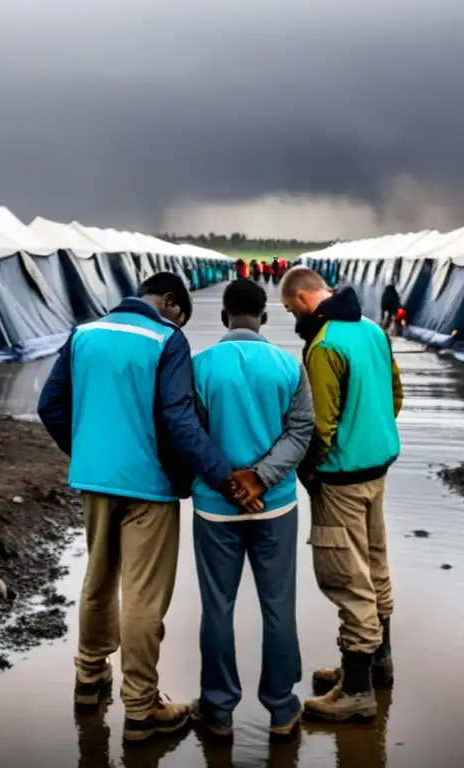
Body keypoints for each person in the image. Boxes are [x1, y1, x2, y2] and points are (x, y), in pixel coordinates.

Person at [37, 272, 256, 745]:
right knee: (142, 597)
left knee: (98, 578)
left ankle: (88, 678)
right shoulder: (165, 339)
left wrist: (86, 452)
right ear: (171, 302)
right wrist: (223, 475)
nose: (180, 321)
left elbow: (50, 406)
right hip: (148, 486)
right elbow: (178, 420)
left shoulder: (84, 334)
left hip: (95, 481)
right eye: (182, 314)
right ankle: (141, 708)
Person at [189, 278, 315, 742]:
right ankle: (281, 709)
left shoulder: (199, 367)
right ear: (264, 317)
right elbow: (301, 432)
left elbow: (191, 437)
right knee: (278, 607)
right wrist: (259, 479)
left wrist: (228, 481)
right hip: (275, 508)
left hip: (215, 508)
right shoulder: (287, 365)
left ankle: (219, 711)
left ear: (224, 317)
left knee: (217, 608)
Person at [279, 267, 403, 724]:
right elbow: (395, 392)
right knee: (375, 563)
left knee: (345, 577)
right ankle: (377, 663)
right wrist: (374, 432)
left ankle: (356, 689)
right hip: (377, 468)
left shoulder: (324, 343)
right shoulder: (372, 329)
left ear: (304, 299)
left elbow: (319, 424)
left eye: (292, 310)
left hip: (341, 479)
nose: (293, 317)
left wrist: (307, 471)